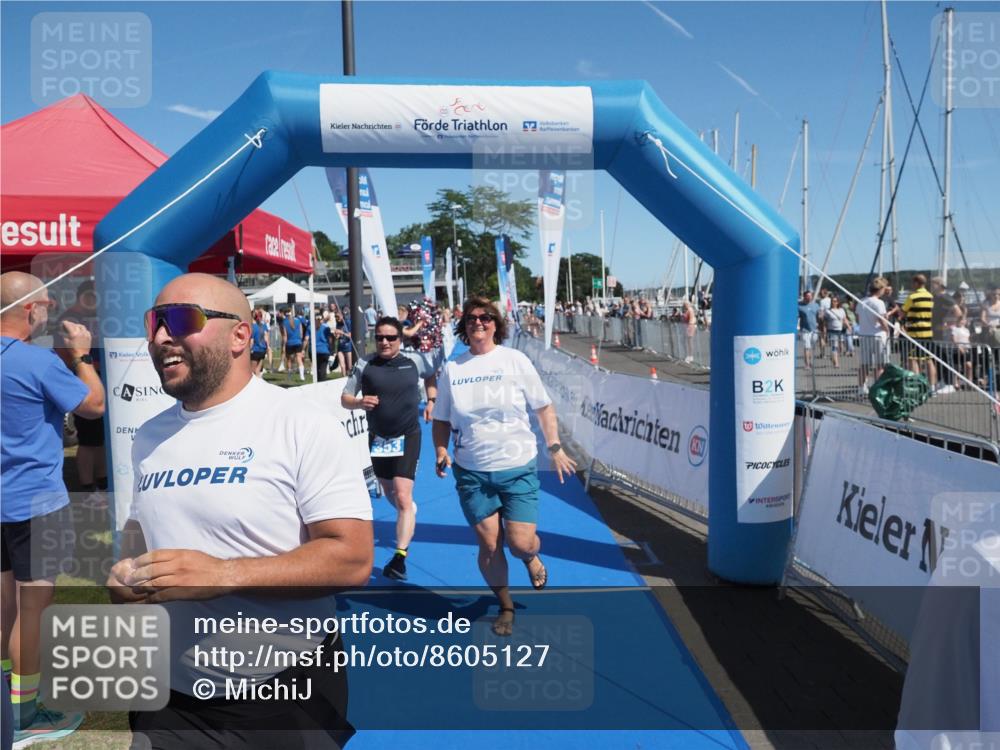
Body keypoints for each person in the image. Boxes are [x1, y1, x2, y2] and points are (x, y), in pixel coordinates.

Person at [107, 273, 372, 748]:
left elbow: (352, 557)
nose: (161, 337)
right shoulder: (149, 436)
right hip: (170, 694)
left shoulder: (302, 424)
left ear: (240, 336)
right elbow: (140, 527)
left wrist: (224, 573)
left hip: (285, 693)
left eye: (181, 320)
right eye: (154, 323)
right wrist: (128, 573)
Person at [1, 271, 105, 744]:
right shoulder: (36, 361)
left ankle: (9, 704)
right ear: (29, 310)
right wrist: (81, 355)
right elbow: (95, 406)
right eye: (45, 304)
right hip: (35, 502)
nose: (50, 312)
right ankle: (24, 717)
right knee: (34, 610)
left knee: (5, 606)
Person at [432, 297, 576, 636]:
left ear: (496, 324)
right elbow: (440, 420)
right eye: (471, 319)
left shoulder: (515, 360)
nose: (477, 323)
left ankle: (530, 558)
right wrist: (440, 448)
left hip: (517, 466)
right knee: (490, 546)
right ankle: (506, 604)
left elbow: (543, 407)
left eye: (485, 318)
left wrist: (554, 446)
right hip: (472, 471)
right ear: (464, 327)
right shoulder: (454, 369)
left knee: (521, 542)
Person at [341, 317, 438, 580]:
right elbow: (345, 398)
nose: (385, 342)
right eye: (380, 337)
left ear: (400, 340)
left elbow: (431, 374)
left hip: (408, 436)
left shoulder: (414, 360)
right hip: (378, 439)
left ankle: (399, 558)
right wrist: (360, 403)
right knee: (388, 492)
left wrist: (431, 400)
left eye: (391, 338)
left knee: (403, 496)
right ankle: (408, 514)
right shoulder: (365, 364)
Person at [58, 279, 108, 508]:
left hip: (98, 383)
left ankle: (102, 484)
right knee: (88, 441)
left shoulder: (94, 318)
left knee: (100, 440)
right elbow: (68, 357)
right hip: (83, 386)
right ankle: (88, 489)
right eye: (93, 298)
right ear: (84, 297)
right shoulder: (69, 321)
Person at [857, 278, 891, 396]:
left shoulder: (861, 301)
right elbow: (881, 320)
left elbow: (858, 319)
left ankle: (861, 388)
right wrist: (887, 330)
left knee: (864, 364)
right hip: (878, 335)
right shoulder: (879, 302)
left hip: (864, 334)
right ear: (880, 289)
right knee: (880, 365)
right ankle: (877, 389)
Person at [902, 274, 937, 389]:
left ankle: (916, 385)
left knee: (913, 359)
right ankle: (932, 387)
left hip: (915, 332)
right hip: (928, 331)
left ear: (916, 283)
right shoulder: (931, 296)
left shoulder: (912, 297)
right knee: (928, 359)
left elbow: (903, 312)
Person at [281, 305, 308, 382]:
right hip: (298, 342)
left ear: (285, 314)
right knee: (299, 358)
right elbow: (301, 333)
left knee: (289, 360)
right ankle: (302, 376)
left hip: (289, 343)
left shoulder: (284, 322)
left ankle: (289, 376)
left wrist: (283, 345)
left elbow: (285, 335)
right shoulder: (298, 321)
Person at [797, 290, 820, 369]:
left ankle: (811, 362)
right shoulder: (799, 306)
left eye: (810, 296)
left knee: (812, 347)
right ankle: (807, 364)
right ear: (804, 297)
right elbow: (796, 317)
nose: (809, 297)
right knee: (807, 347)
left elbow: (818, 315)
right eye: (808, 296)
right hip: (804, 330)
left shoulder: (816, 305)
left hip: (814, 330)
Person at [823, 295, 847, 369]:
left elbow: (844, 319)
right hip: (832, 331)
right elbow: (824, 321)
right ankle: (836, 363)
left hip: (840, 330)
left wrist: (849, 327)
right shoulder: (828, 311)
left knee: (841, 348)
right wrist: (824, 331)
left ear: (838, 302)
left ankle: (833, 357)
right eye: (832, 301)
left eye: (835, 301)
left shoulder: (841, 310)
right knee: (834, 347)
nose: (834, 302)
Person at [249, 309, 270, 378]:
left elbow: (251, 341)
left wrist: (249, 350)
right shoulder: (264, 326)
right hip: (262, 350)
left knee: (252, 371)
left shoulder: (252, 327)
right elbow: (266, 339)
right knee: (258, 370)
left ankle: (255, 386)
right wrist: (267, 348)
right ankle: (260, 384)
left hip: (255, 350)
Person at [315, 312, 334, 382]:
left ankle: (318, 382)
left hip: (315, 351)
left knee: (317, 368)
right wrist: (331, 349)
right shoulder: (326, 327)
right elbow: (330, 339)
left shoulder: (312, 327)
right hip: (324, 350)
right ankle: (322, 382)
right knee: (323, 368)